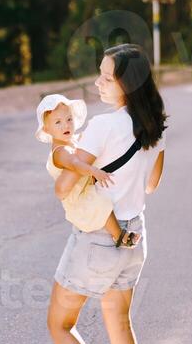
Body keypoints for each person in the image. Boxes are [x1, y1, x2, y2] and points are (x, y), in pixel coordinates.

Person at [46, 42, 168, 344]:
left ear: (126, 84)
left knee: (59, 324)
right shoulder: (154, 125)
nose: (97, 82)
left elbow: (63, 187)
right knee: (119, 323)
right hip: (134, 236)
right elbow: (152, 182)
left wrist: (65, 164)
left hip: (99, 238)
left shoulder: (103, 127)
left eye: (105, 76)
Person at [35, 93, 142, 246]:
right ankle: (120, 236)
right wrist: (94, 171)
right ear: (47, 129)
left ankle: (118, 232)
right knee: (102, 205)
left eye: (69, 119)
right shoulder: (60, 152)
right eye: (58, 122)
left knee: (104, 200)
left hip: (83, 188)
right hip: (78, 198)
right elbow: (75, 163)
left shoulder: (70, 140)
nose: (66, 125)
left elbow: (87, 139)